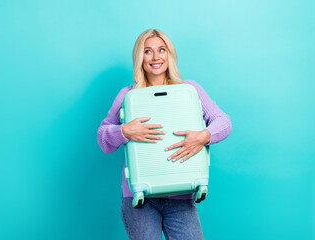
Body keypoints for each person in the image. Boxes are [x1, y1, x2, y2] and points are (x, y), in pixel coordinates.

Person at [97, 29, 232, 240]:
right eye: (148, 51)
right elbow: (103, 139)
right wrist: (124, 130)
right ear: (139, 58)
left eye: (161, 50)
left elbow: (223, 122)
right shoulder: (127, 96)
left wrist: (203, 137)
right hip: (140, 201)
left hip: (181, 198)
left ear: (170, 54)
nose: (156, 57)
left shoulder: (189, 90)